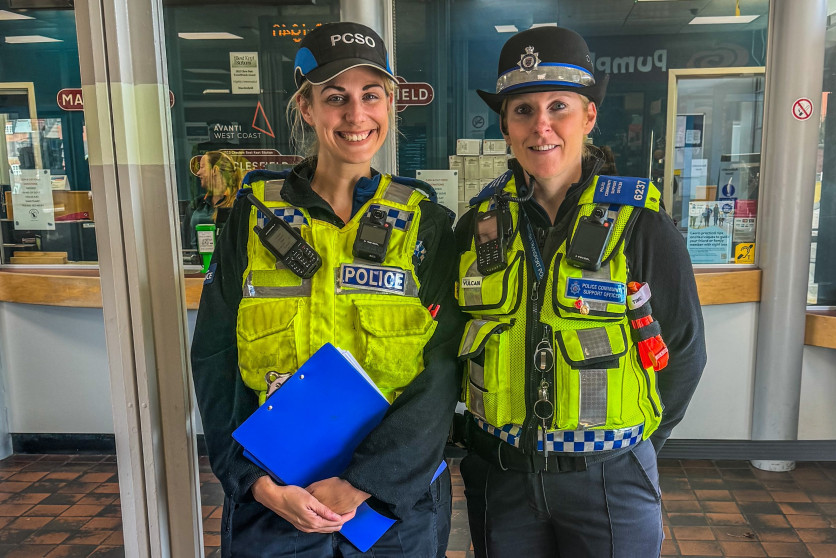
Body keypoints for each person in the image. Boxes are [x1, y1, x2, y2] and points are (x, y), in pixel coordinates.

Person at [191, 21, 461, 558]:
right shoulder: (252, 216)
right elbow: (216, 358)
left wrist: (363, 483)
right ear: (307, 107)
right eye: (335, 98)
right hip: (275, 497)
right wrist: (256, 484)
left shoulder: (427, 223)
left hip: (391, 508)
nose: (356, 116)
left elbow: (441, 373)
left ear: (391, 105)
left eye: (371, 96)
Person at [454, 27, 707, 557]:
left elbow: (684, 350)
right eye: (523, 109)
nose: (540, 125)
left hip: (609, 478)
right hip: (501, 477)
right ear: (505, 123)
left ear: (589, 116)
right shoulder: (476, 228)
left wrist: (637, 447)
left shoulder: (641, 225)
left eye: (559, 106)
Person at [187, 150, 244, 248]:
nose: (198, 172)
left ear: (215, 170)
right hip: (196, 262)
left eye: (202, 167)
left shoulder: (239, 204)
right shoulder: (197, 204)